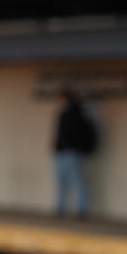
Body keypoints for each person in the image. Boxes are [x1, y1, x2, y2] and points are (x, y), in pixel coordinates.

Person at [52, 87, 98, 216]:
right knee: (61, 182)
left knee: (78, 182)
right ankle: (60, 208)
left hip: (73, 153)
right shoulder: (62, 114)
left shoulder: (78, 114)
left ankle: (82, 209)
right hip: (61, 152)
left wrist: (76, 147)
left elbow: (83, 133)